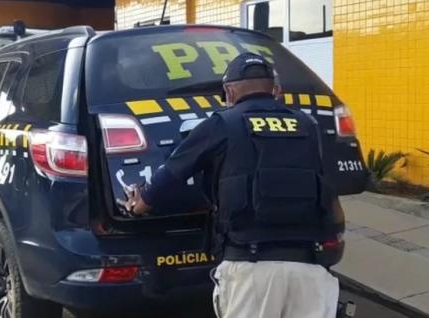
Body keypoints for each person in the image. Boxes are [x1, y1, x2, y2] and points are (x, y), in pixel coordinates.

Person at [120, 53, 345, 318]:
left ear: (228, 91)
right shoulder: (308, 125)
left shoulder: (222, 124)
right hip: (310, 269)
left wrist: (138, 204)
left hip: (251, 270)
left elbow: (169, 176)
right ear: (276, 90)